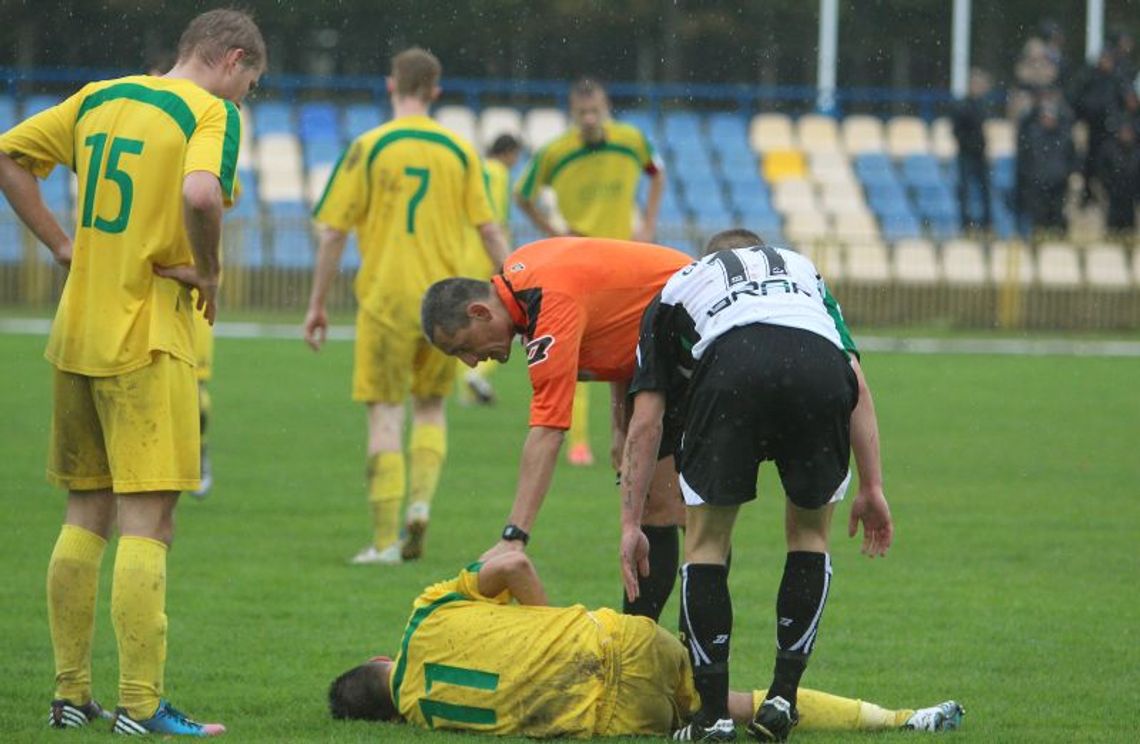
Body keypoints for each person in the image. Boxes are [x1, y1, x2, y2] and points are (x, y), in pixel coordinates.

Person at [0, 8, 264, 736]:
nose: (246, 98)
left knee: (85, 513)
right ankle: (141, 708)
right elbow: (203, 194)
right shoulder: (210, 112)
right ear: (235, 61)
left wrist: (60, 243)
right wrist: (208, 269)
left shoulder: (99, 96)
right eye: (251, 84)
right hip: (146, 337)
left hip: (77, 330)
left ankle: (69, 697)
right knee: (150, 521)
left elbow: (8, 156)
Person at [618, 229, 893, 741]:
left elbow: (646, 420)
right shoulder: (803, 270)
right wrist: (872, 486)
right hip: (818, 367)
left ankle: (714, 716)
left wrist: (632, 521)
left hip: (732, 369)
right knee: (810, 537)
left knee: (705, 544)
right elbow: (855, 379)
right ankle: (782, 700)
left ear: (709, 259)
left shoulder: (678, 286)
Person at [326, 552, 963, 737]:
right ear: (381, 659)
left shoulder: (429, 715)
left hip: (617, 717)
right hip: (625, 642)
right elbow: (510, 562)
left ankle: (695, 727)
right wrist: (550, 629)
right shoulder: (426, 613)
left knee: (730, 708)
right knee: (733, 692)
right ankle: (902, 718)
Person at [303, 47, 508, 566]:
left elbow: (332, 233)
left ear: (392, 85)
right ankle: (420, 503)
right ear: (436, 91)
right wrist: (516, 294)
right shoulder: (461, 152)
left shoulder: (369, 147)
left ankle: (382, 541)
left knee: (386, 416)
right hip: (444, 305)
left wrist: (317, 304)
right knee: (432, 408)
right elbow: (489, 229)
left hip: (386, 301)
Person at [421, 237, 691, 621]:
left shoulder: (547, 301)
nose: (469, 362)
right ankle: (643, 646)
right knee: (661, 504)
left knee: (682, 511)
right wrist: (619, 425)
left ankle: (676, 651)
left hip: (700, 335)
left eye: (463, 347)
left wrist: (514, 537)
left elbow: (548, 429)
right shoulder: (522, 282)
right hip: (675, 339)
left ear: (480, 312)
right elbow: (624, 314)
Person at [515, 77, 665, 467]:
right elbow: (522, 194)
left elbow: (656, 173)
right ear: (572, 113)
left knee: (631, 351)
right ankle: (579, 441)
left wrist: (647, 223)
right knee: (573, 351)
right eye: (581, 113)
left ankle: (625, 436)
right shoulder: (555, 152)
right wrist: (552, 232)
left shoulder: (631, 139)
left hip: (626, 258)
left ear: (606, 107)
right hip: (579, 259)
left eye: (595, 110)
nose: (589, 118)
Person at [147, 50, 215, 499]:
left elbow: (210, 194)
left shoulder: (198, 129)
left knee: (193, 386)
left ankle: (193, 456)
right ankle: (165, 464)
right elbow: (208, 194)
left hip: (180, 285)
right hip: (153, 282)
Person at [457, 133, 522, 406]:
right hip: (487, 254)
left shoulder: (476, 168)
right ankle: (479, 372)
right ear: (508, 153)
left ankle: (467, 388)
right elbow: (495, 217)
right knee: (505, 323)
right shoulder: (498, 174)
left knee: (466, 321)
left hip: (464, 252)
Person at [1015, 97, 1076, 237]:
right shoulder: (1032, 135)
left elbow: (1072, 158)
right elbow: (1025, 158)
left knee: (1057, 216)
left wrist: (1067, 173)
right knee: (1039, 217)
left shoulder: (1064, 136)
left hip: (1058, 183)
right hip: (1038, 183)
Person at [950, 68, 993, 233]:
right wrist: (968, 144)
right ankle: (966, 224)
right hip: (966, 154)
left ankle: (986, 224)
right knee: (965, 190)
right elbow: (957, 130)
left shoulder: (981, 105)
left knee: (984, 190)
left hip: (979, 154)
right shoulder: (962, 105)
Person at [1096, 116, 1140, 234]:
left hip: (1131, 194)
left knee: (1129, 226)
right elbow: (1102, 170)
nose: (1126, 135)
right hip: (1114, 193)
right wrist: (1109, 186)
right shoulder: (1109, 149)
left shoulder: (1137, 150)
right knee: (1113, 226)